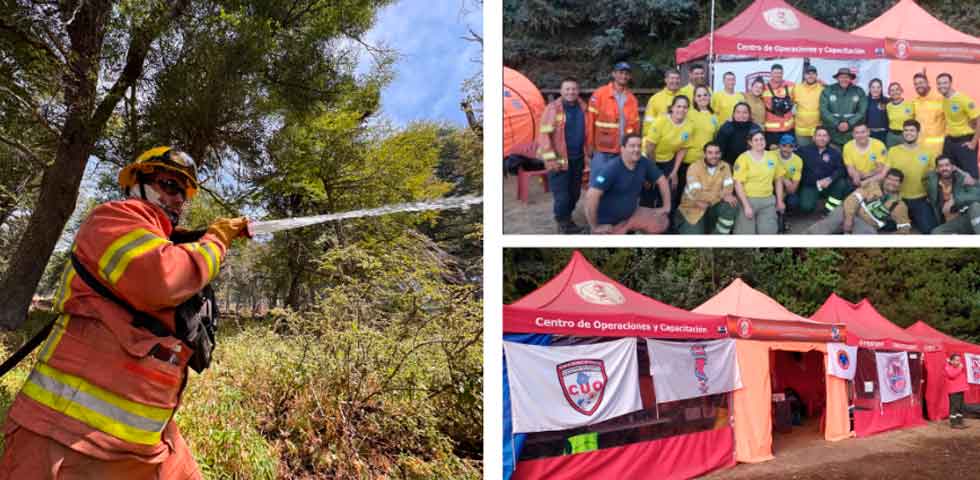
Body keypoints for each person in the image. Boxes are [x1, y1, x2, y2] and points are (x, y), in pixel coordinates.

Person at [0, 147, 250, 478]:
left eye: (183, 193)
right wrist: (216, 240)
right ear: (136, 183)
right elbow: (166, 279)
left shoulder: (162, 241)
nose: (178, 199)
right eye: (168, 185)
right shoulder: (113, 218)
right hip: (64, 436)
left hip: (142, 443)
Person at [584, 133, 671, 234]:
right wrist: (595, 226)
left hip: (631, 213)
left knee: (662, 221)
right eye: (632, 146)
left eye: (639, 146)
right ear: (622, 149)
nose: (636, 149)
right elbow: (591, 195)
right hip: (609, 224)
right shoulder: (612, 168)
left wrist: (666, 206)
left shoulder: (643, 162)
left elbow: (662, 180)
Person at [538, 77, 592, 234]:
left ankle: (565, 218)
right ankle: (564, 225)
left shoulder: (583, 107)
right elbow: (544, 135)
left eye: (574, 89)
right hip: (558, 162)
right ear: (561, 91)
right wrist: (550, 159)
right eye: (567, 89)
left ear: (578, 91)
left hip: (577, 159)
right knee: (562, 196)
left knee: (575, 193)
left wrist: (589, 154)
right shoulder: (553, 108)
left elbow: (587, 132)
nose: (571, 92)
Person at [805, 168, 911, 234]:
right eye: (890, 179)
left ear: (900, 184)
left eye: (896, 181)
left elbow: (904, 227)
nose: (892, 182)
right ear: (885, 179)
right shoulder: (872, 185)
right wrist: (849, 220)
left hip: (867, 225)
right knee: (828, 225)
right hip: (848, 212)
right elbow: (853, 200)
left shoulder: (899, 205)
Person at [587, 61, 640, 179]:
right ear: (614, 74)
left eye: (627, 74)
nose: (624, 76)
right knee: (598, 182)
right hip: (602, 150)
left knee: (618, 184)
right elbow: (590, 122)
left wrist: (634, 147)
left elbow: (636, 127)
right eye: (621, 73)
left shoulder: (632, 99)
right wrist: (589, 145)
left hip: (623, 150)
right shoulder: (600, 94)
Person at [884, 119, 938, 234]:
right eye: (906, 130)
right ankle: (908, 218)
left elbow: (937, 173)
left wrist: (963, 175)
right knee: (884, 226)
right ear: (902, 132)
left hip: (920, 199)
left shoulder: (928, 152)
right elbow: (883, 173)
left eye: (912, 130)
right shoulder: (893, 151)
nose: (908, 133)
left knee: (929, 229)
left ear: (918, 133)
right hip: (898, 199)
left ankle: (912, 218)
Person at [642, 95, 693, 214]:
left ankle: (666, 224)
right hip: (649, 158)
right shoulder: (661, 121)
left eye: (685, 107)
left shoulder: (689, 125)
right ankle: (644, 225)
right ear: (672, 108)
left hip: (668, 160)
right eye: (678, 106)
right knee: (648, 190)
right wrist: (652, 171)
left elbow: (683, 149)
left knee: (669, 191)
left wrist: (674, 172)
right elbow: (650, 147)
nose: (681, 110)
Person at [676, 142, 737, 234]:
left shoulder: (725, 166)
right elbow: (697, 193)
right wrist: (721, 195)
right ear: (704, 154)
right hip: (694, 208)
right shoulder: (694, 167)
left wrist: (722, 196)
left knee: (731, 204)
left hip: (712, 206)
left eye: (717, 153)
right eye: (710, 153)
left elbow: (728, 189)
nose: (714, 156)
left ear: (720, 154)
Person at [733, 130, 784, 234]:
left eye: (762, 139)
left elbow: (778, 180)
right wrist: (746, 206)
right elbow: (738, 184)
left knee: (768, 234)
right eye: (756, 140)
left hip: (767, 200)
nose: (759, 142)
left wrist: (779, 200)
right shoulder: (743, 158)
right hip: (748, 200)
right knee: (746, 236)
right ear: (750, 143)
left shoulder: (772, 157)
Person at [937, 73, 980, 179]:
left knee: (970, 176)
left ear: (951, 83)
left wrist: (973, 143)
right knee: (951, 174)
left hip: (964, 142)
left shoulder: (963, 99)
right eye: (939, 83)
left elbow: (978, 119)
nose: (942, 85)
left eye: (945, 83)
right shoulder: (944, 99)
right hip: (950, 141)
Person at [798, 126, 850, 214]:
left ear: (829, 138)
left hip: (829, 184)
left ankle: (829, 209)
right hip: (811, 185)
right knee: (806, 207)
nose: (822, 138)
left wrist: (830, 179)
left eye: (825, 136)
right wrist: (817, 182)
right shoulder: (803, 151)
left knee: (841, 183)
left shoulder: (834, 152)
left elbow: (841, 169)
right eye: (819, 135)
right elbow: (800, 172)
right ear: (813, 138)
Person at [927, 155, 980, 234]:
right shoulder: (933, 182)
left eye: (947, 165)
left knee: (975, 206)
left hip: (969, 216)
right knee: (936, 233)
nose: (944, 168)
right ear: (937, 169)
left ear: (952, 167)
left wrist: (955, 199)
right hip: (955, 222)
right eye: (941, 166)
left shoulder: (962, 179)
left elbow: (977, 195)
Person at [820, 68, 867, 149]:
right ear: (837, 78)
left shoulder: (859, 91)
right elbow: (823, 111)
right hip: (832, 135)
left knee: (851, 160)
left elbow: (862, 112)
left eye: (847, 77)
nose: (844, 79)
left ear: (851, 78)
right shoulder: (828, 90)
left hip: (852, 135)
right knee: (834, 159)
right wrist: (837, 123)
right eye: (841, 77)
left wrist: (849, 123)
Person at [686, 86, 720, 175]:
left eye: (705, 95)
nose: (702, 98)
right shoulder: (688, 114)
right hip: (690, 161)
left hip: (707, 161)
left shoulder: (714, 116)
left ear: (709, 97)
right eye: (699, 96)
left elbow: (715, 138)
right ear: (694, 98)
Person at [715, 102, 762, 167]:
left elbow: (760, 149)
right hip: (729, 165)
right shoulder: (726, 127)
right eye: (738, 112)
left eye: (745, 112)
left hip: (751, 166)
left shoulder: (755, 128)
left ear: (749, 115)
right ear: (733, 114)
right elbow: (718, 149)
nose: (741, 115)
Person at [843, 123, 888, 188]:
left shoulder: (879, 145)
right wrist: (855, 175)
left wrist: (866, 176)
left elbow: (880, 168)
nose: (860, 135)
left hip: (874, 177)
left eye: (863, 132)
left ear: (868, 132)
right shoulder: (847, 146)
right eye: (857, 133)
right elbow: (850, 167)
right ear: (853, 135)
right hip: (856, 177)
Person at [912, 72, 946, 156]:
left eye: (921, 83)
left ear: (927, 83)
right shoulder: (915, 102)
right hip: (920, 148)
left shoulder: (941, 98)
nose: (918, 85)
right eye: (916, 84)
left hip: (938, 149)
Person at [762, 64, 795, 148]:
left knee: (787, 154)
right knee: (773, 156)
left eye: (780, 73)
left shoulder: (791, 85)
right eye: (775, 73)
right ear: (771, 74)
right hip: (771, 131)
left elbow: (802, 93)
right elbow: (753, 97)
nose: (778, 75)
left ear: (783, 73)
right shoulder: (763, 88)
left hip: (788, 129)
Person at [774, 134, 803, 231]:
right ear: (779, 146)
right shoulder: (772, 155)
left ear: (794, 147)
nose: (787, 149)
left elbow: (793, 188)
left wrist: (783, 194)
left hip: (788, 189)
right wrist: (784, 179)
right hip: (772, 185)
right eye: (784, 145)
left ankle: (785, 218)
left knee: (793, 202)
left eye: (790, 146)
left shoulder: (798, 161)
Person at [794, 65, 824, 147]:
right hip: (801, 131)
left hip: (817, 130)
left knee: (817, 154)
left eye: (813, 73)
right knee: (804, 154)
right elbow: (789, 104)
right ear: (804, 75)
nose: (810, 76)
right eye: (808, 73)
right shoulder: (797, 88)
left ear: (816, 75)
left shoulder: (822, 89)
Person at [886, 82, 915, 147]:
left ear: (901, 90)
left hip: (906, 135)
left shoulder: (910, 104)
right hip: (892, 136)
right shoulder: (888, 106)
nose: (895, 92)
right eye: (892, 90)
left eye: (897, 89)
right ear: (889, 93)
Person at [945, 354, 969, 429]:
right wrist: (959, 368)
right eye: (956, 360)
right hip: (954, 391)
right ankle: (954, 423)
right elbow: (952, 375)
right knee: (954, 407)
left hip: (961, 389)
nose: (959, 362)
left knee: (960, 407)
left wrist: (959, 368)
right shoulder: (948, 367)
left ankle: (960, 422)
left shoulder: (959, 367)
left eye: (959, 360)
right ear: (951, 361)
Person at [866, 78, 890, 144]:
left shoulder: (887, 101)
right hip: (869, 135)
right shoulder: (864, 101)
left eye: (878, 87)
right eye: (873, 87)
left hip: (883, 135)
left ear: (881, 88)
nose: (875, 90)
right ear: (869, 88)